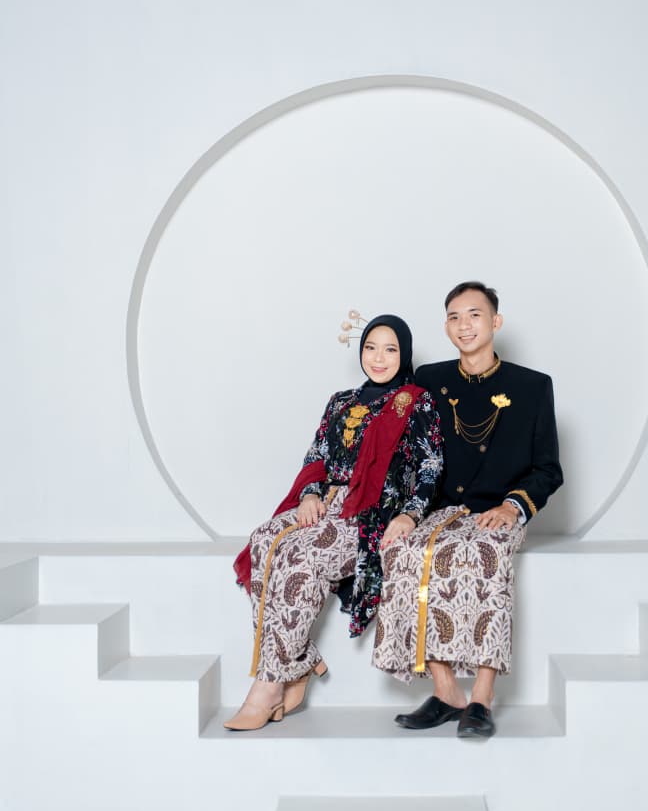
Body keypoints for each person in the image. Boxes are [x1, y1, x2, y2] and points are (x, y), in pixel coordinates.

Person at [225, 314, 443, 731]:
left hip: (372, 513)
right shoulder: (340, 401)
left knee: (300, 558)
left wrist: (409, 514)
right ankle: (300, 660)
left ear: (404, 354)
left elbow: (431, 466)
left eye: (390, 349)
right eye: (370, 348)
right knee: (264, 540)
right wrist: (309, 494)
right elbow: (317, 455)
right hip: (327, 503)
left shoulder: (416, 402)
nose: (378, 358)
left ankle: (268, 686)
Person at [372, 282, 563, 738]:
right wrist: (402, 510)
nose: (465, 325)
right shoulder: (429, 379)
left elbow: (548, 469)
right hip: (440, 508)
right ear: (446, 327)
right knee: (401, 552)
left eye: (475, 315)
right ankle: (446, 693)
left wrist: (513, 506)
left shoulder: (533, 386)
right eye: (455, 317)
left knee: (485, 557)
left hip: (498, 509)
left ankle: (480, 697)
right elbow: (401, 440)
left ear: (495, 322)